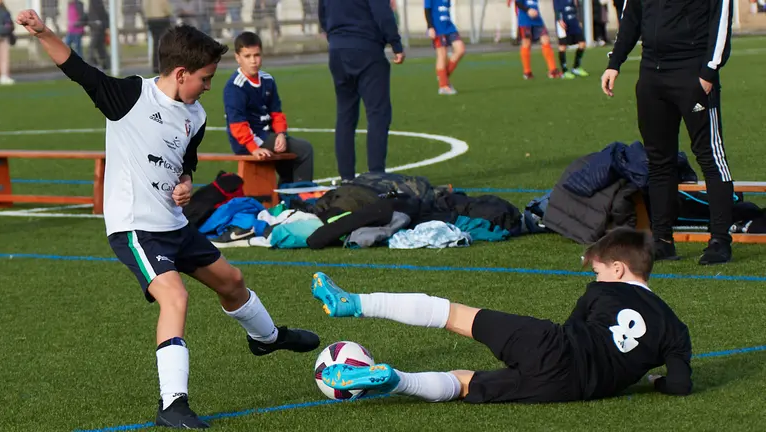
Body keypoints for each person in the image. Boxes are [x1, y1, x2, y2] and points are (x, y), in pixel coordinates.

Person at [14, 10, 319, 429]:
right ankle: (172, 404)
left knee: (232, 281)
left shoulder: (195, 115)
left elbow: (185, 162)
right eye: (205, 78)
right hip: (135, 227)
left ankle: (267, 339)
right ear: (180, 73)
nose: (209, 86)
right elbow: (76, 67)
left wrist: (186, 183)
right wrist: (43, 30)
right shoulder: (128, 97)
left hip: (173, 223)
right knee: (175, 298)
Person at [312, 228, 693, 404]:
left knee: (454, 314)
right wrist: (654, 380)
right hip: (569, 391)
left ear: (618, 269)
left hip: (554, 348)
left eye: (597, 269)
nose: (594, 276)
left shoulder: (604, 290)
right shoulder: (676, 330)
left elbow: (575, 330)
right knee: (462, 384)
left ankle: (355, 304)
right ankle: (396, 381)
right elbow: (679, 384)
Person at [600, 0, 735, 265]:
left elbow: (721, 19)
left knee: (710, 157)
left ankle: (720, 240)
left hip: (692, 73)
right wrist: (615, 62)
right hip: (652, 74)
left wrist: (709, 70)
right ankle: (662, 240)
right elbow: (632, 16)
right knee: (659, 160)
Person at [319, 0, 405, 182]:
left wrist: (336, 38)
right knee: (377, 114)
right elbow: (382, 12)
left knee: (345, 115)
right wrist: (395, 43)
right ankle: (376, 175)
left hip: (337, 50)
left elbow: (322, 14)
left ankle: (346, 178)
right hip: (367, 48)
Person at [223, 32, 314, 184]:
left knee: (288, 164)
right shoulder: (235, 86)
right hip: (248, 141)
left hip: (268, 135)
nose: (253, 61)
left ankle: (286, 200)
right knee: (304, 149)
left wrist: (281, 134)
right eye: (247, 56)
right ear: (237, 58)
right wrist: (253, 148)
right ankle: (302, 197)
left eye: (257, 55)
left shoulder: (267, 80)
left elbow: (277, 112)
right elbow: (237, 125)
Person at [425, 0, 465, 95]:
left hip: (449, 27)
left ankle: (443, 76)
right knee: (442, 55)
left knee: (460, 49)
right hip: (437, 28)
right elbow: (427, 10)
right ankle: (443, 86)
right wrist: (430, 27)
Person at [514, 0, 561, 79]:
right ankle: (527, 72)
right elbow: (518, 2)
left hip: (537, 20)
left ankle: (553, 70)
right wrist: (528, 10)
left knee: (546, 39)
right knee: (526, 43)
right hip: (525, 20)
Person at [553, 0, 588, 79]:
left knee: (582, 43)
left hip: (573, 21)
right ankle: (564, 71)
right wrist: (559, 19)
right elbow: (556, 8)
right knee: (563, 46)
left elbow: (576, 7)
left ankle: (576, 67)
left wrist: (579, 19)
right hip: (563, 22)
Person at [144, 0, 173, 75]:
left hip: (151, 20)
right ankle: (163, 65)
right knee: (164, 43)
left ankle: (155, 66)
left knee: (155, 43)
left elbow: (144, 7)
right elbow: (167, 9)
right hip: (161, 19)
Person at [0, 0, 15, 85]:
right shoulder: (4, 11)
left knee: (4, 57)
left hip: (4, 36)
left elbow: (10, 23)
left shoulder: (4, 11)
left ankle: (4, 76)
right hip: (1, 34)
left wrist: (8, 29)